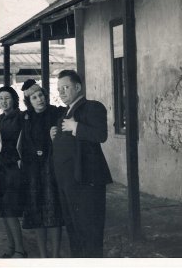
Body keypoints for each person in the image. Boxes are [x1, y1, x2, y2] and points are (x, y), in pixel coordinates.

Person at [50, 70, 112, 258]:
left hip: (86, 181)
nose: (61, 92)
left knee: (90, 233)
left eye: (66, 87)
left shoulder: (92, 107)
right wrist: (55, 136)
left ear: (77, 87)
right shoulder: (65, 113)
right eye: (59, 89)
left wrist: (75, 127)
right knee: (74, 232)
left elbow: (101, 135)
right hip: (68, 182)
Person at [19, 79, 64, 258]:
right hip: (32, 172)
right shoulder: (25, 118)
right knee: (37, 212)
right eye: (34, 97)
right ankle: (44, 256)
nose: (39, 99)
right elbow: (22, 144)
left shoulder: (57, 113)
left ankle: (55, 256)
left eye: (41, 95)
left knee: (53, 212)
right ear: (29, 102)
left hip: (51, 169)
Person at [0, 86, 26, 258]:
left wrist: (3, 159)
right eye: (1, 98)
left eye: (7, 98)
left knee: (10, 211)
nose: (4, 101)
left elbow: (23, 146)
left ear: (14, 99)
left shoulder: (22, 118)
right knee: (3, 211)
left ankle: (20, 250)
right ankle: (11, 247)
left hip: (14, 172)